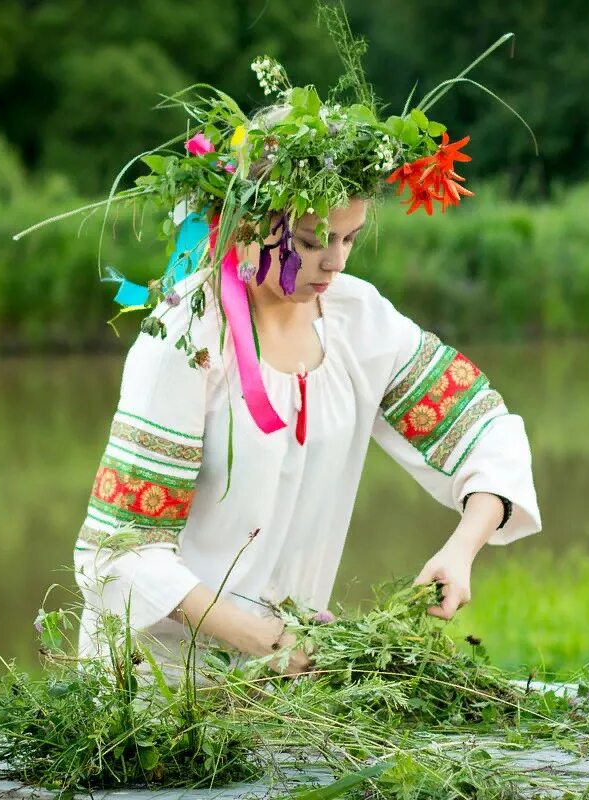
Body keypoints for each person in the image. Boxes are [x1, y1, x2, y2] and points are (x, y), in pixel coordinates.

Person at [71, 83, 541, 673]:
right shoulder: (189, 338)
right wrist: (258, 638)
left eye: (349, 239)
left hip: (283, 682)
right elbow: (120, 550)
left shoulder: (356, 320)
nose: (336, 261)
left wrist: (462, 546)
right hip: (159, 687)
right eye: (312, 242)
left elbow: (484, 430)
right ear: (248, 222)